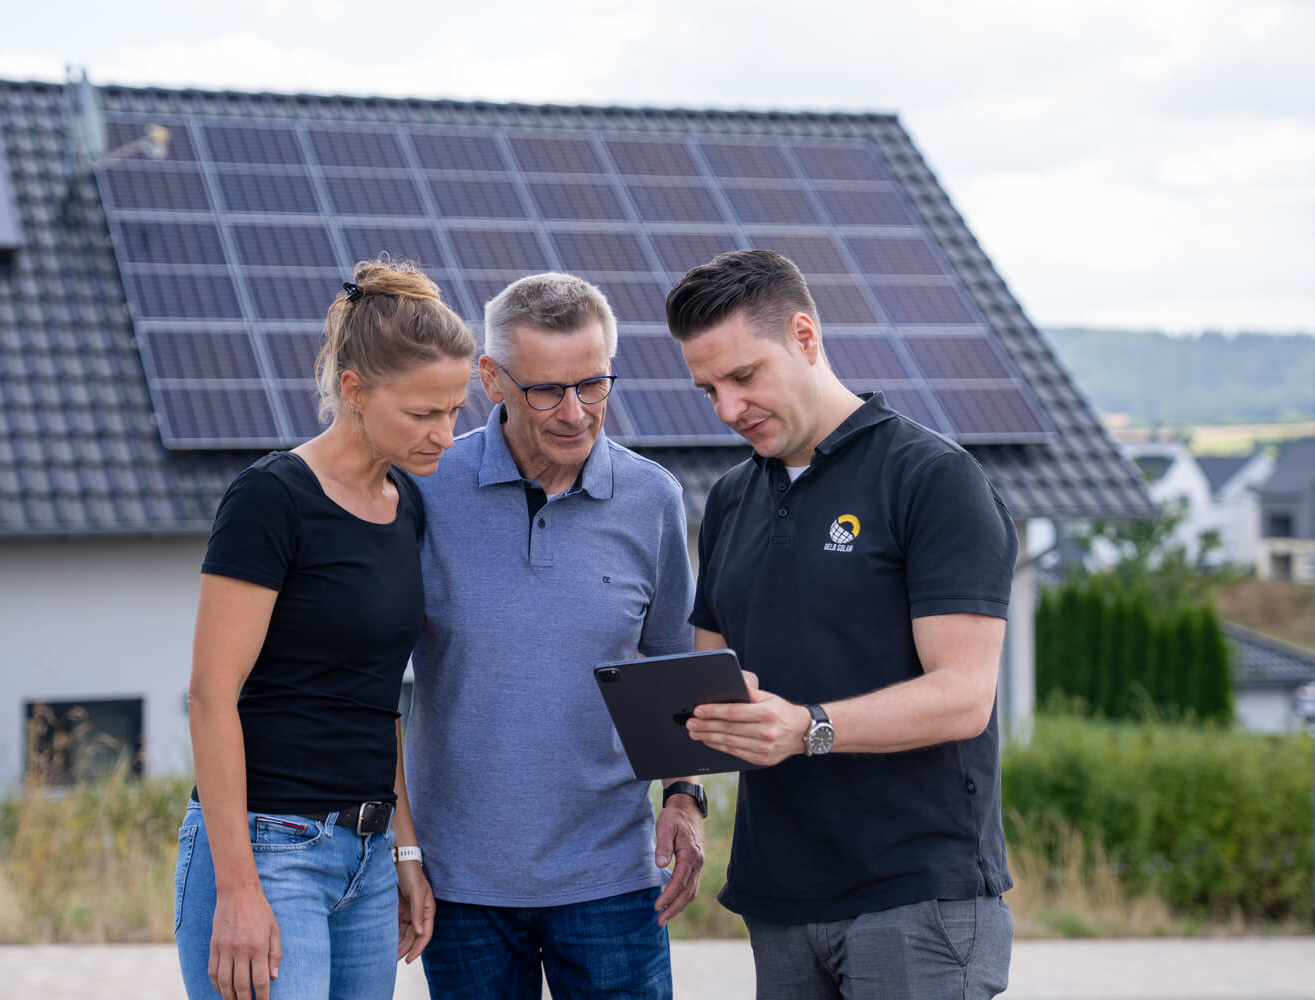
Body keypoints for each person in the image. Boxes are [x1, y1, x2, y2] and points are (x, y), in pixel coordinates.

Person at [665, 249, 1018, 999]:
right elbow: (708, 682)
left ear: (804, 335)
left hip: (916, 896)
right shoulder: (730, 498)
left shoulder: (932, 479)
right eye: (708, 390)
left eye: (744, 376)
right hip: (780, 895)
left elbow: (964, 694)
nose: (728, 409)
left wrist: (807, 726)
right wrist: (684, 793)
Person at [174, 259, 477, 1000]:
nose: (444, 434)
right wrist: (240, 891)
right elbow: (211, 700)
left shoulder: (405, 502)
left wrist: (404, 848)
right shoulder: (271, 500)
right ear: (354, 390)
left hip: (367, 861)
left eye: (454, 411)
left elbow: (379, 699)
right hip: (271, 849)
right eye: (421, 414)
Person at [405, 272, 704, 1000]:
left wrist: (686, 795)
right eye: (547, 390)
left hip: (612, 879)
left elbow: (674, 664)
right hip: (461, 882)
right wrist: (404, 848)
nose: (575, 413)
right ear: (491, 380)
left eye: (594, 385)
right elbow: (374, 675)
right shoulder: (421, 487)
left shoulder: (652, 499)